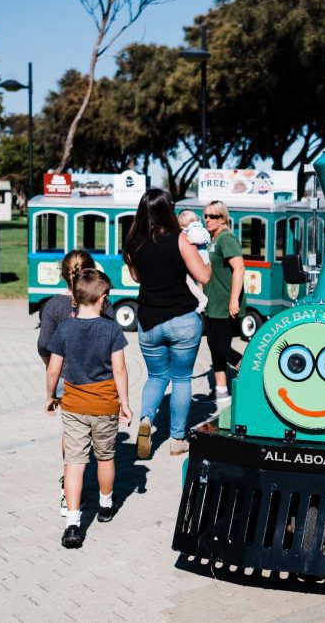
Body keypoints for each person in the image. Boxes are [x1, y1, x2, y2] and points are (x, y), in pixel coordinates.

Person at [44, 269, 131, 549]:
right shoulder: (111, 328)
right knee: (105, 457)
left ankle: (72, 523)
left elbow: (54, 368)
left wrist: (49, 395)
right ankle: (105, 506)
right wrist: (125, 403)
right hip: (105, 404)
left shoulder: (65, 328)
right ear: (103, 299)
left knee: (75, 462)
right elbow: (119, 369)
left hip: (74, 404)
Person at [124, 189, 210, 458]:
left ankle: (146, 421)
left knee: (156, 376)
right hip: (182, 319)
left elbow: (137, 278)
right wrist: (204, 254)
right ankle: (176, 439)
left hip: (149, 321)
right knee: (181, 378)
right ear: (167, 210)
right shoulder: (180, 239)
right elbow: (203, 276)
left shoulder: (132, 242)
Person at [37, 249, 113, 516]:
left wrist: (52, 371)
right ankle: (104, 498)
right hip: (100, 382)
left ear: (63, 274)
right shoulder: (103, 303)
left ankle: (66, 491)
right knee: (103, 447)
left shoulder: (53, 306)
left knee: (70, 437)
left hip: (65, 379)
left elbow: (44, 344)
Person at [203, 200, 246, 405]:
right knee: (214, 347)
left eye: (214, 216)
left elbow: (239, 268)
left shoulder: (226, 238)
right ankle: (221, 393)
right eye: (206, 216)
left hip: (225, 304)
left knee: (220, 347)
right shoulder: (213, 239)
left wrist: (233, 300)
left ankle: (250, 371)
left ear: (223, 219)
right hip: (212, 304)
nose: (208, 220)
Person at [176, 210, 210, 313]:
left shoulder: (193, 229)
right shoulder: (201, 227)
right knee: (195, 282)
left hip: (199, 258)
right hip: (205, 257)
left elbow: (200, 238)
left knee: (187, 279)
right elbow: (208, 238)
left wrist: (192, 240)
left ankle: (202, 299)